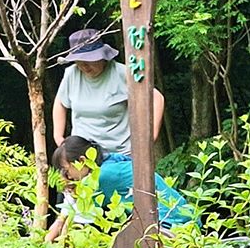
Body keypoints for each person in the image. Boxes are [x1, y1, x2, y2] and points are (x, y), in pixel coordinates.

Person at [45, 136, 197, 243]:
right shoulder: (110, 162)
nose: (67, 176)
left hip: (172, 224)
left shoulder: (102, 177)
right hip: (184, 217)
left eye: (66, 170)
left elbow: (77, 215)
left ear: (82, 161)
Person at [51, 29, 165, 157]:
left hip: (121, 154)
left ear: (102, 56)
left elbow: (157, 98)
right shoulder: (72, 74)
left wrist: (150, 137)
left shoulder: (122, 73)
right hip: (83, 155)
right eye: (79, 62)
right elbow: (60, 102)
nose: (84, 66)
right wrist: (58, 137)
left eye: (89, 61)